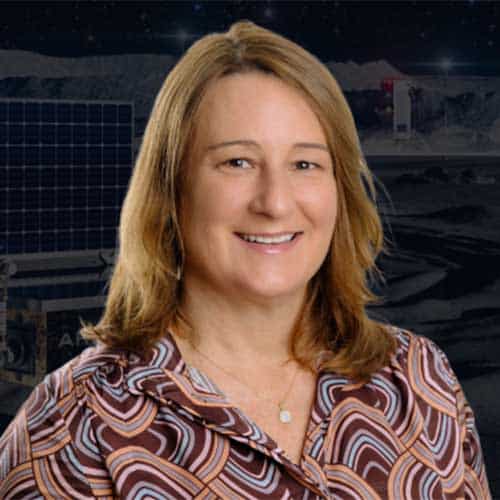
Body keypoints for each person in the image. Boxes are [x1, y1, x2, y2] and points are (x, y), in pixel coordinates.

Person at [0, 20, 492, 499]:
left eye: (305, 164)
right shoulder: (75, 428)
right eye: (237, 162)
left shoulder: (419, 380)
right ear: (171, 190)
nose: (275, 202)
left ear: (339, 190)